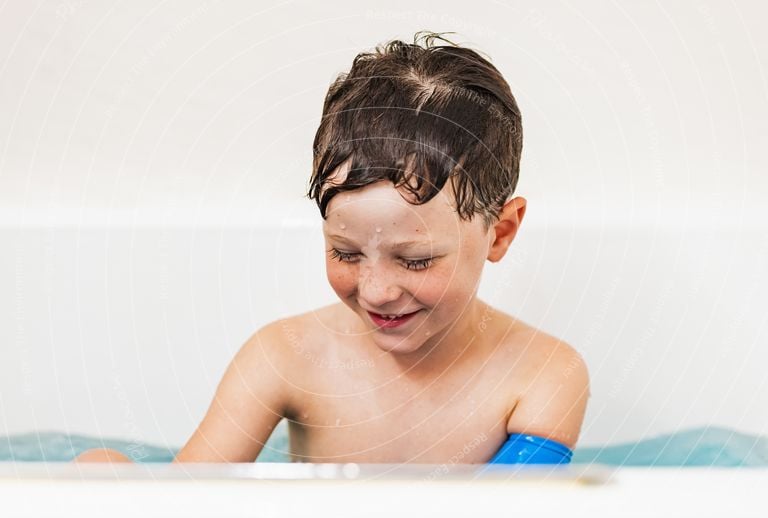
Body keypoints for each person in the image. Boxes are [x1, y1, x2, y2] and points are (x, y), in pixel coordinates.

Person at [76, 31, 589, 466]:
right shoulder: (284, 358)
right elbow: (184, 509)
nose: (377, 291)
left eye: (416, 260)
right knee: (96, 471)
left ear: (500, 233)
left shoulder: (541, 375)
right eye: (345, 252)